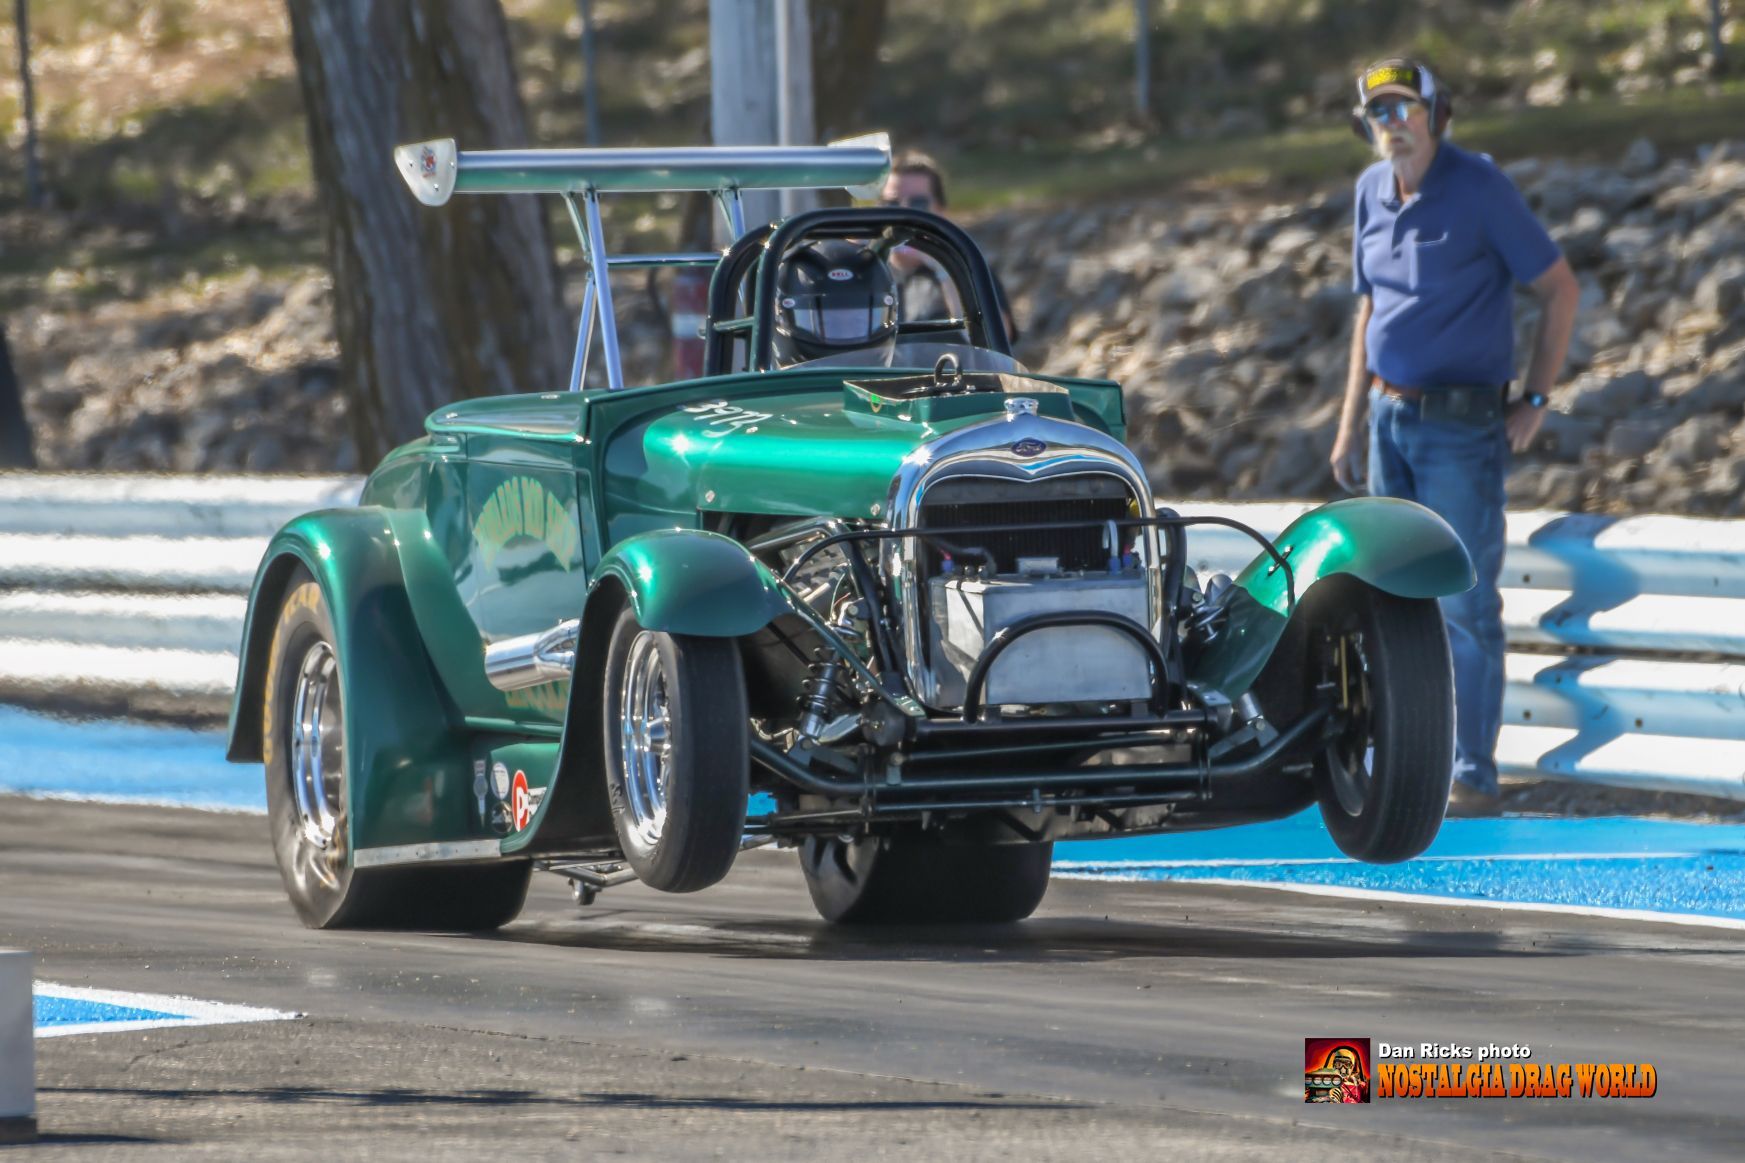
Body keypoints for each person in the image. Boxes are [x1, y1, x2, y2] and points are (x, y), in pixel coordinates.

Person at [1328, 58, 1579, 818]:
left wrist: (1536, 397)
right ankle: (1396, 759)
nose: (1393, 124)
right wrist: (1347, 424)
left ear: (1437, 115)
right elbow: (1367, 313)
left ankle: (1472, 773)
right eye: (1379, 113)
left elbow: (1558, 288)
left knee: (1462, 604)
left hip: (1461, 426)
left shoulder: (1479, 188)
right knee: (1383, 596)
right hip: (1385, 418)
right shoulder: (1369, 191)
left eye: (1406, 109)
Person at [879, 151, 1020, 343]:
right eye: (892, 203)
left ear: (940, 210)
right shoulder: (869, 272)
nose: (904, 212)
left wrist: (944, 269)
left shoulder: (968, 268)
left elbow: (997, 339)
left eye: (918, 203)